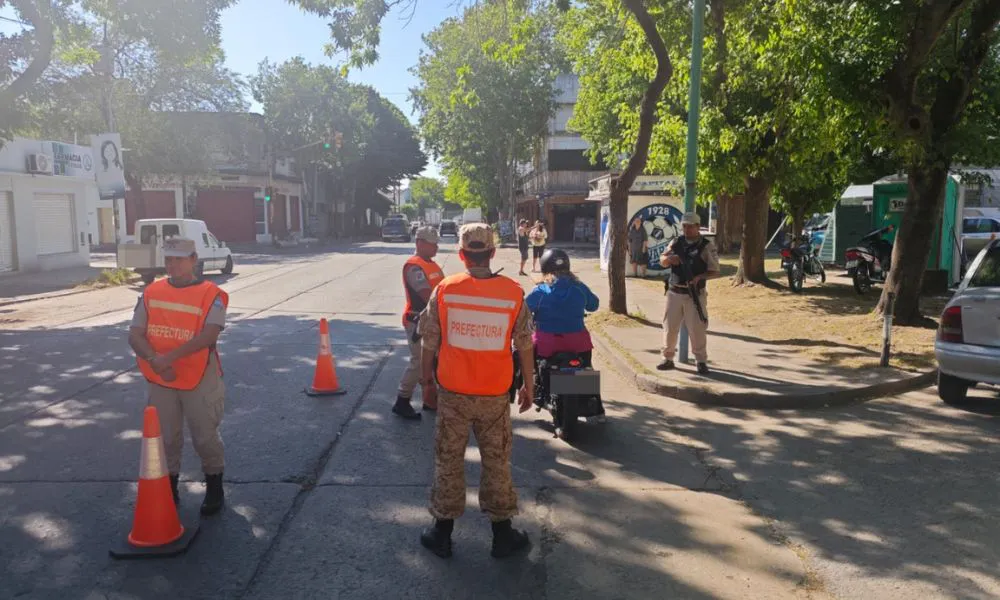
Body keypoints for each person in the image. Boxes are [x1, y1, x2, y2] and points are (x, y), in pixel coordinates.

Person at [417, 223, 535, 560]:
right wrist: (529, 383)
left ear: (462, 254)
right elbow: (525, 343)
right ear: (493, 253)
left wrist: (427, 381)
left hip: (453, 393)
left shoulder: (446, 289)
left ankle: (441, 534)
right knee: (497, 461)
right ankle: (502, 535)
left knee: (448, 460)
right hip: (495, 395)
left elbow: (429, 340)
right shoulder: (513, 292)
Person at [128, 237, 229, 515]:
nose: (172, 265)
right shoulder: (151, 292)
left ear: (194, 259)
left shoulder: (212, 294)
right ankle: (168, 489)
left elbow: (209, 335)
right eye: (168, 259)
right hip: (162, 377)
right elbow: (135, 334)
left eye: (179, 259)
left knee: (204, 435)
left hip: (199, 376)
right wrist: (155, 361)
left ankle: (215, 486)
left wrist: (167, 359)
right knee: (166, 438)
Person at [525, 248, 605, 421]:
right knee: (585, 370)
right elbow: (594, 305)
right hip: (578, 343)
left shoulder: (539, 291)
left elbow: (524, 310)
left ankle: (535, 391)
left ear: (544, 267)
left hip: (548, 344)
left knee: (531, 362)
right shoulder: (579, 287)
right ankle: (597, 410)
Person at [657, 213, 721, 375]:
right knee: (670, 328)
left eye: (690, 226)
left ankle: (700, 361)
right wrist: (671, 259)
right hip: (674, 291)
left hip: (694, 293)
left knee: (697, 329)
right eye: (684, 226)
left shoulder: (706, 245)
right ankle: (668, 358)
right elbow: (662, 260)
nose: (687, 229)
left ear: (698, 227)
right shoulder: (676, 242)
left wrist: (700, 277)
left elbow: (714, 271)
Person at [394, 226, 445, 420]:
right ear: (420, 243)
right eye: (432, 244)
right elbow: (426, 294)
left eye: (436, 244)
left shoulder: (431, 264)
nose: (436, 248)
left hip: (431, 319)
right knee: (418, 362)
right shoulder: (414, 266)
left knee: (433, 361)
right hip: (417, 321)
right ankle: (402, 400)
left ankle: (430, 400)